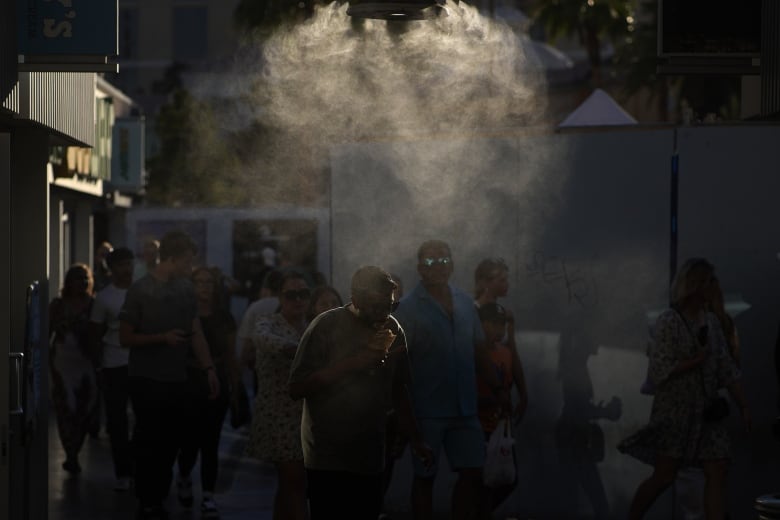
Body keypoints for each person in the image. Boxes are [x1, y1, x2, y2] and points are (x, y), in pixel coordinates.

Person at [289, 266, 433, 520]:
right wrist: (358, 362)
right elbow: (298, 387)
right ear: (355, 300)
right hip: (328, 455)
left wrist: (417, 440)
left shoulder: (393, 329)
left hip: (370, 455)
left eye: (390, 306)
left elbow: (399, 391)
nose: (384, 315)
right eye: (377, 308)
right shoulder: (326, 326)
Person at [618, 257, 750, 520]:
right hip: (676, 414)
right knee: (665, 476)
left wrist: (743, 405)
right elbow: (660, 369)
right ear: (694, 286)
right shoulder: (670, 321)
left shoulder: (711, 323)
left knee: (718, 468)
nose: (713, 287)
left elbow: (726, 369)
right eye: (708, 282)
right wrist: (695, 361)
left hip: (706, 412)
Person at [393, 240, 505, 520]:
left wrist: (499, 388)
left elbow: (478, 350)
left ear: (452, 264)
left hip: (465, 407)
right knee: (425, 477)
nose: (438, 267)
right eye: (430, 262)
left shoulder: (466, 302)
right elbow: (398, 364)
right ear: (420, 268)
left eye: (443, 260)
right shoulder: (407, 309)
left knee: (472, 472)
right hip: (427, 409)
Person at [119, 230, 219, 520]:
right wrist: (162, 338)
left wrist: (209, 368)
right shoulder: (140, 290)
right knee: (149, 440)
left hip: (176, 379)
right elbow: (125, 337)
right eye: (187, 261)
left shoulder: (185, 290)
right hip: (146, 379)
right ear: (172, 259)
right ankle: (147, 499)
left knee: (171, 442)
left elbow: (195, 330)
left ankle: (159, 497)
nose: (190, 268)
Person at [176, 266, 239, 519]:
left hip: (218, 380)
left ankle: (208, 495)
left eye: (209, 283)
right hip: (189, 380)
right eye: (199, 282)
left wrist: (234, 389)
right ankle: (183, 476)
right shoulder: (183, 314)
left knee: (211, 441)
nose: (204, 287)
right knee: (190, 440)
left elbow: (230, 355)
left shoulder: (224, 317)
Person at [247, 271, 311, 520]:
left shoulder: (311, 326)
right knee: (295, 483)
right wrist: (296, 349)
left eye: (303, 294)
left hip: (306, 419)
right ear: (280, 297)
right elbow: (263, 339)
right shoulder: (267, 321)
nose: (298, 300)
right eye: (291, 295)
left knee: (288, 486)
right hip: (278, 419)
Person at [475, 302, 528, 518]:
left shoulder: (505, 353)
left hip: (500, 428)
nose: (500, 329)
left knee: (508, 479)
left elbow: (513, 371)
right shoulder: (474, 354)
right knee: (484, 483)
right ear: (481, 325)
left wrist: (522, 396)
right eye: (494, 324)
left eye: (502, 325)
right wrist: (492, 402)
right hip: (479, 427)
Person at [89, 247, 135, 491]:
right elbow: (95, 334)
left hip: (141, 363)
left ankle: (137, 466)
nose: (127, 269)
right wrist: (98, 367)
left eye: (129, 264)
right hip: (113, 363)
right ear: (112, 268)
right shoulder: (104, 298)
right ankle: (123, 472)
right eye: (121, 265)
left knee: (144, 418)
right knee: (117, 421)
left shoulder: (143, 291)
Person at [50, 263, 99, 475]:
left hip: (87, 365)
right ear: (69, 282)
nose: (83, 283)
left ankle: (75, 450)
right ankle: (70, 454)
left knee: (85, 410)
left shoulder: (94, 305)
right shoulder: (58, 306)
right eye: (78, 279)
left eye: (86, 279)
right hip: (62, 365)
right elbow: (46, 332)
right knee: (65, 410)